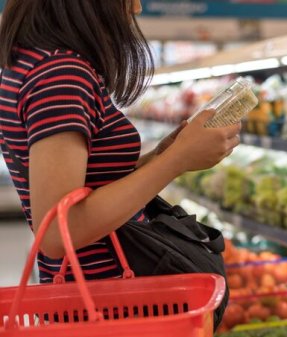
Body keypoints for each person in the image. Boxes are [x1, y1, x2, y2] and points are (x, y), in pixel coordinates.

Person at [0, 0, 240, 283]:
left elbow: (89, 183)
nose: (136, 8)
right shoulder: (61, 74)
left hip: (92, 297)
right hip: (104, 304)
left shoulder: (36, 61)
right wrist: (175, 162)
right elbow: (56, 232)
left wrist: (162, 155)